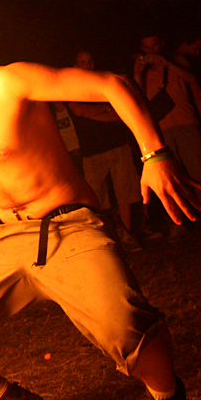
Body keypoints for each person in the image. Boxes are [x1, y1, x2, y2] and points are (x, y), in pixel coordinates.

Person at [0, 0, 201, 400]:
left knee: (126, 329)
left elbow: (112, 84)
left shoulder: (8, 82)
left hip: (70, 228)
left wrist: (154, 154)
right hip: (8, 240)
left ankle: (168, 397)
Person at [135, 33, 201, 238]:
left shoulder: (177, 61)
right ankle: (178, 221)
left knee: (198, 169)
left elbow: (192, 81)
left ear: (161, 44)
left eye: (155, 45)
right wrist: (137, 73)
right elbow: (137, 98)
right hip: (160, 129)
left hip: (186, 122)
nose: (152, 51)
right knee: (170, 176)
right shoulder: (143, 69)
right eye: (146, 48)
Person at [67, 51, 143, 251]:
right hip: (92, 150)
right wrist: (106, 110)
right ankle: (103, 240)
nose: (88, 65)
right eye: (83, 62)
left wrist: (106, 112)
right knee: (96, 200)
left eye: (90, 61)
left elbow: (119, 112)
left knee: (125, 192)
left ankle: (127, 237)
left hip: (117, 143)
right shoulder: (70, 86)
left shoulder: (103, 80)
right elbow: (80, 111)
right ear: (75, 64)